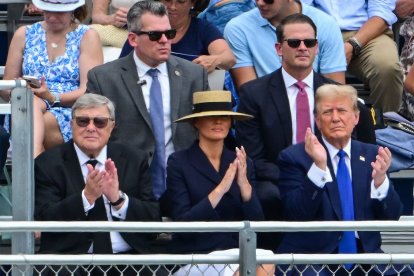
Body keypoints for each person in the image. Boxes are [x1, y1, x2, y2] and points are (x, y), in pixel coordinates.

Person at [235, 14, 375, 232]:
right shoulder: (254, 94)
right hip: (277, 180)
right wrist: (301, 176)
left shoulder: (337, 94)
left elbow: (355, 149)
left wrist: (321, 174)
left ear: (316, 47)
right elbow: (254, 157)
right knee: (266, 195)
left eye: (309, 42)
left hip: (331, 175)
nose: (302, 48)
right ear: (279, 49)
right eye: (294, 43)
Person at [276, 84, 406, 275]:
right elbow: (296, 214)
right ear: (317, 120)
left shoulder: (372, 155)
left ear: (356, 117)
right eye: (328, 112)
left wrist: (380, 182)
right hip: (314, 259)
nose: (335, 118)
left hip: (366, 259)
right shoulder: (295, 157)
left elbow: (392, 216)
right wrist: (318, 168)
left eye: (342, 111)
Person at [86, 0, 209, 199]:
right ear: (133, 39)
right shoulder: (103, 78)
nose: (164, 40)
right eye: (154, 35)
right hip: (126, 183)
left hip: (184, 182)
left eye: (169, 34)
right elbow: (92, 136)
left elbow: (205, 130)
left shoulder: (194, 75)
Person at [34, 94, 161, 275]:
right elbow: (45, 218)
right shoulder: (48, 163)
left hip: (129, 258)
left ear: (112, 126)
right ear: (71, 125)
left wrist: (118, 200)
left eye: (99, 122)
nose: (91, 128)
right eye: (83, 121)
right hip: (70, 261)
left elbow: (153, 218)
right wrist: (86, 198)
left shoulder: (134, 158)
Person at [160, 90, 274, 276]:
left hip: (236, 251)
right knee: (247, 268)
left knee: (266, 261)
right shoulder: (179, 162)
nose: (218, 121)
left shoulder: (242, 161)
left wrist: (245, 186)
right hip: (195, 255)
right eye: (211, 117)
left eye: (224, 117)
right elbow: (183, 226)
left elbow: (256, 226)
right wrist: (221, 189)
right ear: (196, 122)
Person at [0, 0, 103, 157]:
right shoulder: (24, 33)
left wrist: (51, 97)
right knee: (30, 103)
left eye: (59, 12)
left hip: (70, 109)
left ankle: (33, 167)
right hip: (25, 106)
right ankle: (38, 167)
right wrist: (20, 87)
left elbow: (89, 91)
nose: (53, 17)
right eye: (48, 10)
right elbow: (6, 89)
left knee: (32, 119)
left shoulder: (87, 36)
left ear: (72, 10)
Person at [302, 0, 404, 113]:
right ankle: (305, 124)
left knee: (387, 67)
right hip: (318, 31)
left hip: (366, 32)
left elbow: (382, 13)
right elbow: (300, 8)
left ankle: (386, 125)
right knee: (300, 65)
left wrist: (353, 44)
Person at [223, 0, 346, 91]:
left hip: (316, 111)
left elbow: (335, 91)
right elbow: (248, 92)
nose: (260, 3)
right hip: (266, 112)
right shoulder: (238, 28)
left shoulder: (326, 24)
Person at [119, 0, 235, 73]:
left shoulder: (202, 28)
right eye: (168, 0)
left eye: (181, 1)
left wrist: (214, 60)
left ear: (193, 3)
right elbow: (122, 67)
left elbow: (229, 58)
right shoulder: (143, 29)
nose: (173, 7)